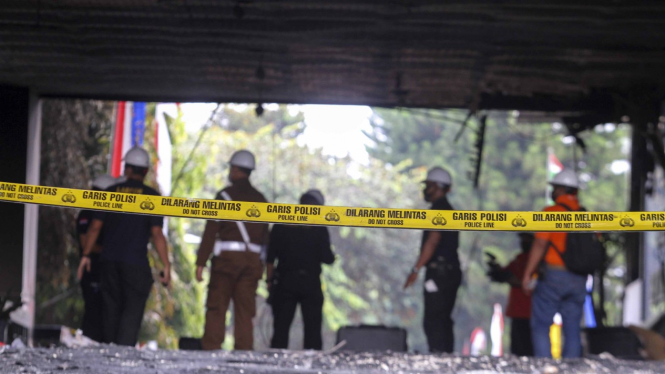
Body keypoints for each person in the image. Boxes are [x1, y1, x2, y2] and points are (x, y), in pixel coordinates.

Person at [77, 146, 171, 346]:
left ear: (127, 169)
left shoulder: (110, 192)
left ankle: (110, 351)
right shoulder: (152, 197)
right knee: (132, 310)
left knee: (110, 309)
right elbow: (156, 233)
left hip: (109, 262)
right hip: (136, 264)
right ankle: (124, 354)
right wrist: (166, 265)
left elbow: (95, 227)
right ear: (145, 171)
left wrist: (85, 255)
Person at [196, 149, 269, 351]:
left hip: (226, 262)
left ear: (236, 169)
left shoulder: (224, 196)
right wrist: (264, 268)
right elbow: (266, 238)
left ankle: (211, 349)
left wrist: (201, 262)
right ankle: (244, 353)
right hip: (251, 263)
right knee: (245, 311)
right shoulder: (261, 200)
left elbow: (211, 231)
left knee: (217, 307)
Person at [521, 169, 586, 358]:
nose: (553, 191)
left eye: (555, 188)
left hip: (554, 276)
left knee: (542, 325)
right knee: (572, 327)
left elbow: (540, 243)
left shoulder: (551, 212)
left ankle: (545, 367)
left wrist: (527, 274)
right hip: (579, 278)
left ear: (561, 189)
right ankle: (572, 370)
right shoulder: (586, 215)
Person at [267, 189, 335, 350]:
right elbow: (328, 258)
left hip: (284, 282)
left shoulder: (282, 223)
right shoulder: (319, 228)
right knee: (313, 332)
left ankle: (275, 365)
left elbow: (270, 258)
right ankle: (314, 366)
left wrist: (269, 282)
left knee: (280, 330)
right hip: (310, 283)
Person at [403, 166, 461, 353]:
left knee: (434, 319)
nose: (426, 190)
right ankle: (445, 359)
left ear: (438, 186)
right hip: (449, 272)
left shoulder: (440, 209)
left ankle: (439, 360)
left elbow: (432, 241)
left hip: (440, 273)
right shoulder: (447, 208)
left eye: (428, 185)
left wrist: (416, 269)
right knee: (442, 318)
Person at [76, 174, 116, 342]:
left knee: (106, 311)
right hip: (91, 268)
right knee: (93, 309)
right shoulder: (87, 213)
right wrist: (109, 250)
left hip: (106, 269)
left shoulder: (109, 214)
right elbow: (86, 242)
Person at [486, 233, 534, 356]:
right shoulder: (519, 259)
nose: (523, 242)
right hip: (517, 310)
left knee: (529, 347)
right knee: (518, 347)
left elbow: (528, 282)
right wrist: (497, 270)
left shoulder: (535, 260)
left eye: (526, 240)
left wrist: (510, 278)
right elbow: (505, 274)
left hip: (531, 310)